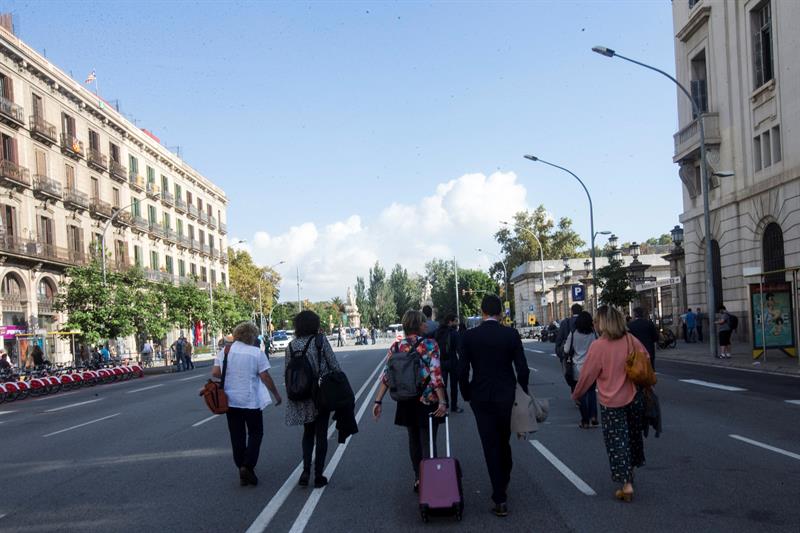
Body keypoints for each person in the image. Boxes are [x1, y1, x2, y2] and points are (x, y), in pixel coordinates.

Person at [459, 295, 530, 517]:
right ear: (500, 313)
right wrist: (523, 391)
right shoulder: (511, 334)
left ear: (482, 312)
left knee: (490, 445)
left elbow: (462, 370)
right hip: (506, 395)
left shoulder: (469, 336)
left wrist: (466, 393)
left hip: (480, 396)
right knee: (503, 441)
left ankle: (499, 498)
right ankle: (504, 478)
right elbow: (523, 369)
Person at [572, 305, 649, 502]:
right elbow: (646, 359)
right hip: (635, 396)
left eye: (596, 321)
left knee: (617, 441)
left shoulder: (599, 346)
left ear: (603, 323)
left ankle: (626, 484)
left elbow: (587, 375)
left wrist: (577, 394)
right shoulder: (630, 340)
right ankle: (630, 472)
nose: (595, 324)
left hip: (612, 401)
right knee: (632, 437)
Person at [373, 310, 447, 493]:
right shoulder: (430, 344)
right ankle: (430, 479)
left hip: (406, 399)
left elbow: (387, 376)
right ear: (419, 325)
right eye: (423, 322)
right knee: (428, 441)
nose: (426, 324)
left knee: (413, 441)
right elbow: (436, 375)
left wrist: (378, 401)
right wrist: (443, 402)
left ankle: (418, 478)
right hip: (427, 399)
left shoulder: (396, 347)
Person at [212, 322, 282, 486]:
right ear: (251, 336)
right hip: (251, 401)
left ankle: (241, 469)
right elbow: (265, 376)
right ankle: (247, 466)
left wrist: (232, 373)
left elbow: (215, 373)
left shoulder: (225, 351)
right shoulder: (256, 353)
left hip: (230, 401)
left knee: (237, 436)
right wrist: (276, 394)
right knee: (256, 433)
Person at [285, 311, 342, 488]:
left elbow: (287, 371)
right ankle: (318, 475)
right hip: (320, 394)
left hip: (302, 395)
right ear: (315, 324)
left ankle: (305, 471)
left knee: (308, 433)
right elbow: (335, 366)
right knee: (321, 435)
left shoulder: (291, 345)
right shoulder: (320, 341)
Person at [564, 311, 598, 428]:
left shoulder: (573, 334)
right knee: (592, 391)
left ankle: (585, 420)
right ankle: (594, 416)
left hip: (578, 367)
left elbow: (566, 349)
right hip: (592, 367)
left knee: (582, 393)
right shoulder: (593, 333)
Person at [435, 313, 463, 414]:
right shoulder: (454, 333)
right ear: (450, 322)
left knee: (443, 385)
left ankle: (445, 404)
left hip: (441, 362)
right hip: (453, 361)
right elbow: (459, 349)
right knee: (454, 385)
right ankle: (454, 406)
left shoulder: (438, 331)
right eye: (455, 321)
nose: (457, 323)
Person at [555, 304, 583, 391]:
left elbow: (559, 340)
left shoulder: (565, 323)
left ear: (571, 311)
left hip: (569, 358)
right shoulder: (586, 322)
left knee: (572, 381)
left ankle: (575, 393)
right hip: (585, 360)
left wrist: (561, 355)